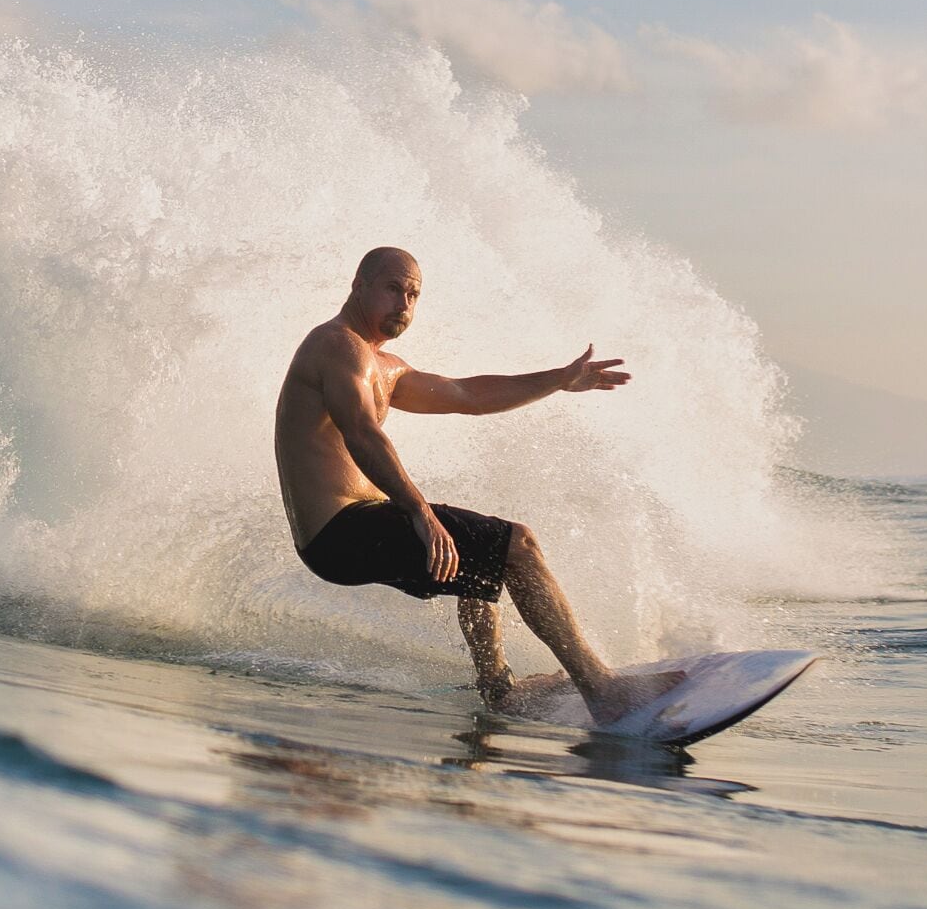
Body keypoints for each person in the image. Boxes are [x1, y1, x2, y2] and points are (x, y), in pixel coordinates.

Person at [274, 246, 666, 721]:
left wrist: (559, 379)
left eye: (414, 294)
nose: (404, 303)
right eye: (393, 288)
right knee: (517, 543)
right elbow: (360, 432)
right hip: (340, 531)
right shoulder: (338, 346)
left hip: (348, 530)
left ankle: (497, 686)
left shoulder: (384, 365)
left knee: (481, 554)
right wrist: (420, 512)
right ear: (359, 286)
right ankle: (603, 689)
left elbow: (467, 395)